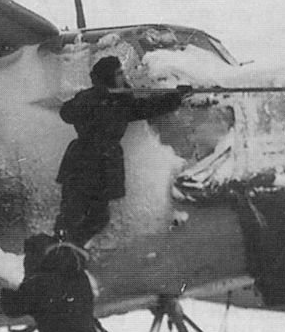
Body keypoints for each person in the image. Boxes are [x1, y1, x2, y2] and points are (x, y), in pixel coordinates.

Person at [54, 55, 189, 245]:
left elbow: (148, 107)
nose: (122, 77)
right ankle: (60, 250)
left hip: (102, 162)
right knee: (72, 214)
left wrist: (176, 96)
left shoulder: (120, 101)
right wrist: (90, 98)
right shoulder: (96, 99)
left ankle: (70, 247)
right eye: (118, 74)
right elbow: (66, 113)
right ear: (108, 77)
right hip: (85, 161)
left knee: (97, 217)